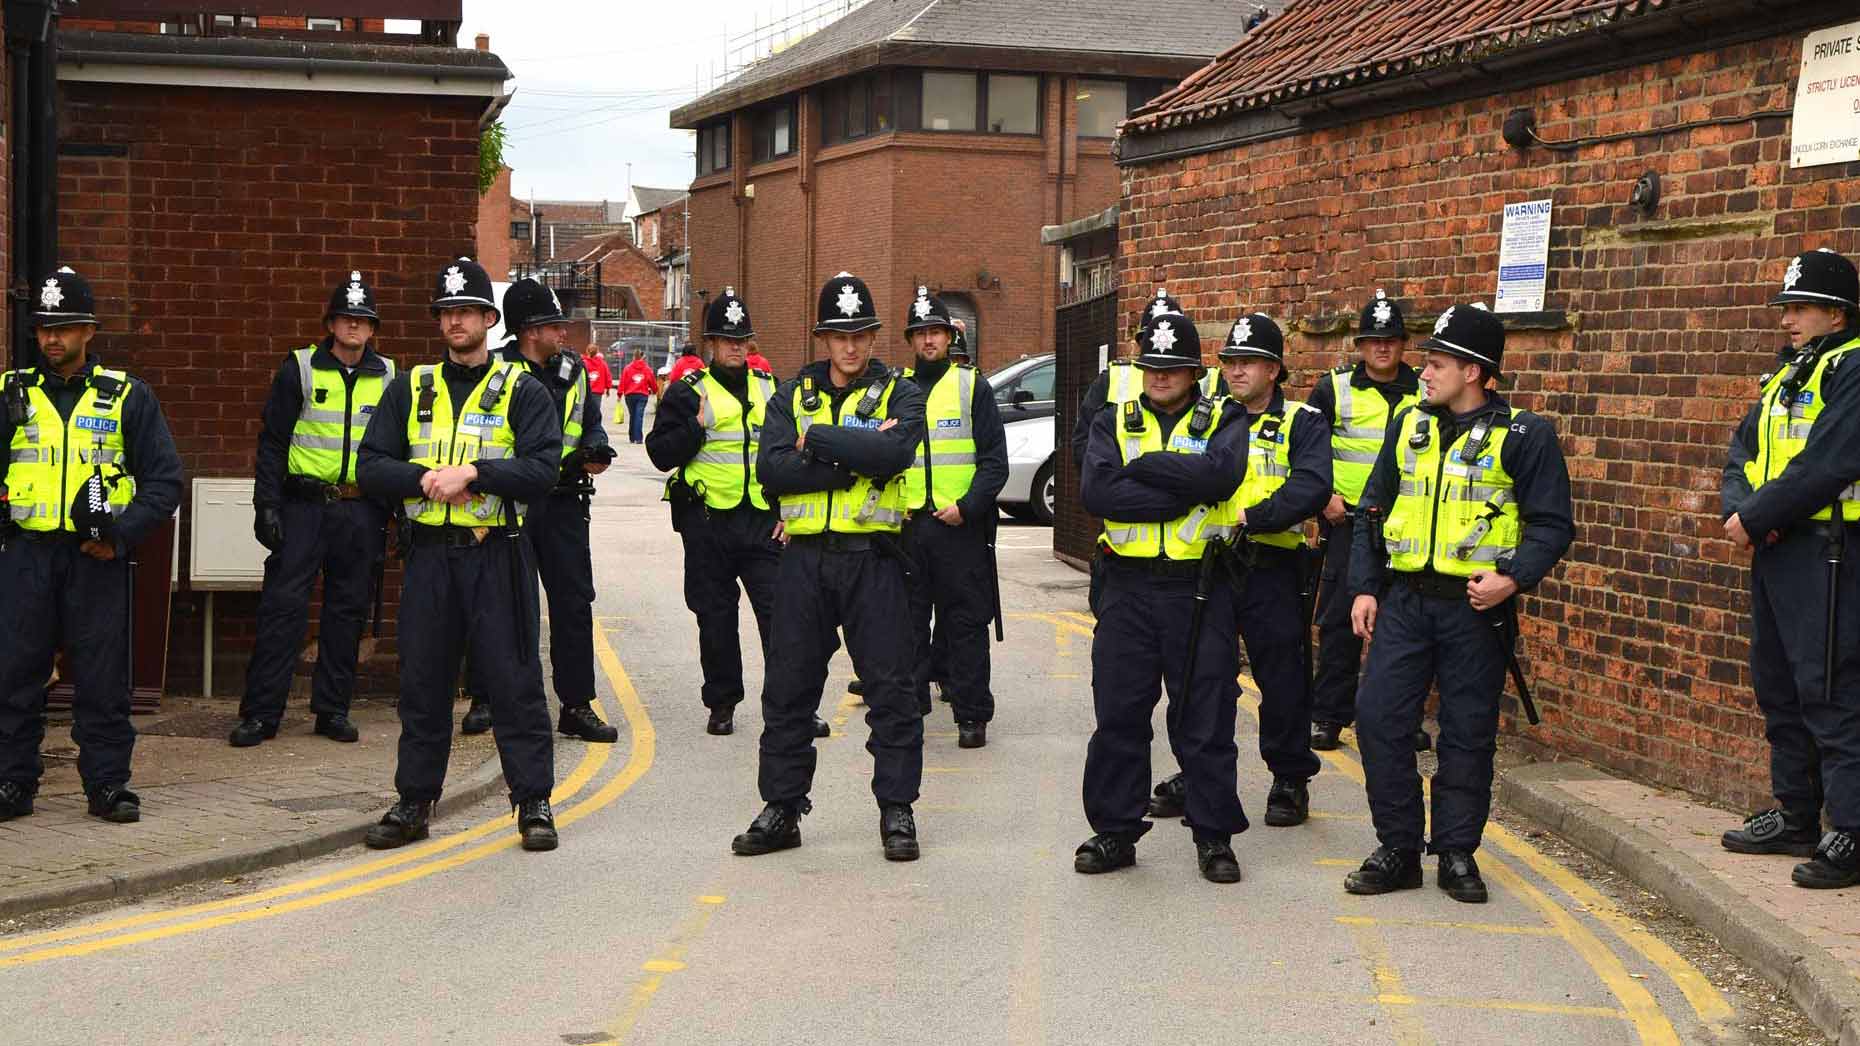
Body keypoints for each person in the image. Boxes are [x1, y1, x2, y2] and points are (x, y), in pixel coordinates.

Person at [1342, 302, 1572, 904]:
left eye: (1437, 362)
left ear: (1473, 371)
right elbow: (1372, 512)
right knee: (1378, 719)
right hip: (1407, 602)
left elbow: (1552, 525)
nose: (1424, 372)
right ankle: (1397, 847)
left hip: (1477, 610)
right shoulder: (1408, 426)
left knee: (1467, 733)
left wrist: (1513, 578)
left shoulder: (1526, 435)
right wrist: (1366, 586)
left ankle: (1455, 852)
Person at [356, 257, 563, 852]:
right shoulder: (410, 386)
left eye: (466, 311)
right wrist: (425, 477)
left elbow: (543, 468)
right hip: (428, 558)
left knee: (515, 679)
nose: (455, 322)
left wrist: (476, 472)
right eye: (446, 313)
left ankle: (533, 803)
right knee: (423, 683)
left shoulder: (523, 390)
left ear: (489, 320)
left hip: (497, 554)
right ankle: (414, 802)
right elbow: (371, 465)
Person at [729, 271, 927, 862]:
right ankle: (782, 809)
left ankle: (897, 810)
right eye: (839, 335)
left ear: (873, 337)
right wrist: (854, 455)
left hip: (875, 563)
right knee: (788, 691)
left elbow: (895, 452)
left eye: (861, 334)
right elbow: (772, 472)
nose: (850, 346)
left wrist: (813, 440)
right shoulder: (791, 395)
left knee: (892, 692)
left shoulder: (901, 392)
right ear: (823, 338)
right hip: (804, 562)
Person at [0, 267, 184, 824]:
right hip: (26, 554)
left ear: (89, 331)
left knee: (103, 678)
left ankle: (107, 786)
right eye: (44, 328)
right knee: (14, 673)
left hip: (96, 558)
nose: (52, 338)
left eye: (65, 327)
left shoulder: (128, 396)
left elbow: (164, 481)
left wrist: (120, 535)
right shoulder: (11, 393)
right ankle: (13, 782)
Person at [1075, 308, 1250, 884]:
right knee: (1119, 714)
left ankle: (1213, 835)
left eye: (1172, 368)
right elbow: (1099, 492)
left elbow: (1221, 478)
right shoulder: (1112, 419)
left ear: (1195, 371)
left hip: (1198, 590)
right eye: (1152, 365)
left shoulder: (1225, 417)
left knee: (1205, 717)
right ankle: (1115, 832)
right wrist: (1178, 492)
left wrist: (1145, 468)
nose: (1159, 376)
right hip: (1126, 586)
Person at [1146, 314, 1330, 827]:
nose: (1235, 370)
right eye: (1229, 361)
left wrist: (1256, 516)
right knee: (1203, 678)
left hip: (1271, 562)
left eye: (1247, 362)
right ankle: (1197, 772)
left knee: (1283, 675)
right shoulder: (1203, 417)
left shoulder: (1302, 421)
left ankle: (1290, 776)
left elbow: (1312, 485)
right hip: (1211, 563)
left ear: (1274, 369)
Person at [1719, 247, 1860, 889]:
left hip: (1832, 550)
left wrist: (1758, 515)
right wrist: (1744, 510)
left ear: (1836, 313)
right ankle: (1797, 813)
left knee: (1829, 687)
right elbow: (1742, 452)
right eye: (1787, 307)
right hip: (1779, 544)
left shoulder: (1853, 369)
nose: (1787, 319)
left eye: (1799, 307)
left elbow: (1830, 462)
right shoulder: (1786, 375)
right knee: (1776, 683)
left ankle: (1851, 831)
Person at [646, 288, 827, 738]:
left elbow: (792, 455)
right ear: (710, 343)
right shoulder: (689, 393)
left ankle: (793, 706)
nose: (735, 347)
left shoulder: (771, 389)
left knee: (783, 616)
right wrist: (696, 427)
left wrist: (790, 509)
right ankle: (722, 703)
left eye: (742, 340)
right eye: (727, 340)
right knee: (715, 617)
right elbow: (660, 454)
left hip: (763, 521)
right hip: (708, 522)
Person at [233, 271, 395, 748]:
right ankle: (261, 715)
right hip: (303, 506)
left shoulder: (389, 377)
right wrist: (266, 505)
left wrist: (394, 514)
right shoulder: (299, 369)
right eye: (345, 318)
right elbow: (273, 443)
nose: (353, 327)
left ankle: (333, 710)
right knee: (282, 610)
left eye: (362, 320)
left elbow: (397, 450)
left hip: (359, 511)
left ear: (372, 329)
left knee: (347, 614)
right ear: (330, 322)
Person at [467, 277, 618, 744]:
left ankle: (575, 704)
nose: (564, 334)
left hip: (566, 504)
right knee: (501, 604)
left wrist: (596, 449)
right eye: (555, 325)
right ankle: (486, 698)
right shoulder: (495, 374)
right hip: (513, 506)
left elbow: (590, 425)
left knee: (574, 605)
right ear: (531, 330)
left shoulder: (574, 370)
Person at [1307, 291, 1423, 752]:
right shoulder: (1333, 388)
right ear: (1360, 345)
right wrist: (1322, 501)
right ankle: (1328, 715)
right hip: (1349, 524)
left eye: (1391, 340)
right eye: (1373, 340)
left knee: (1406, 628)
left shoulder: (1425, 390)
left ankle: (1400, 718)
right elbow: (1308, 454)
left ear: (1402, 344)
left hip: (1408, 526)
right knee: (1340, 624)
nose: (1382, 348)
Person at [899, 288, 1008, 746]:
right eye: (920, 332)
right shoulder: (892, 389)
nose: (929, 340)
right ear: (911, 339)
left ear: (949, 337)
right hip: (906, 526)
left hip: (957, 526)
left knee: (965, 622)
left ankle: (971, 713)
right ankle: (909, 706)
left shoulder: (971, 387)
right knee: (905, 622)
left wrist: (967, 507)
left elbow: (994, 462)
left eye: (936, 332)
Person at [1069, 288, 1220, 469]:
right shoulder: (1112, 379)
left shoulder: (1212, 380)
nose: (1160, 349)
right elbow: (1083, 446)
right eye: (1149, 339)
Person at [618, 351, 659, 444]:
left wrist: (619, 394)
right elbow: (652, 382)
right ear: (642, 357)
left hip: (629, 395)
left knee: (633, 415)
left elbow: (623, 381)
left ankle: (632, 437)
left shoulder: (627, 368)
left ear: (633, 357)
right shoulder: (647, 369)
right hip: (642, 395)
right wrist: (655, 390)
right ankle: (638, 438)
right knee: (639, 416)